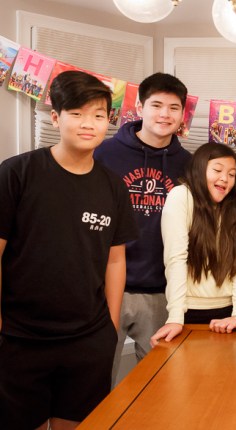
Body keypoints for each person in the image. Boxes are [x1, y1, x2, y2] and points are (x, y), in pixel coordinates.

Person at [0, 71, 138, 429]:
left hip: (87, 340)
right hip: (19, 339)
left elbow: (115, 259)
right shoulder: (17, 173)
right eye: (76, 113)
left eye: (98, 115)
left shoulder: (113, 187)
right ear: (56, 118)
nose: (88, 123)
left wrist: (109, 327)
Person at [94, 72, 192, 386]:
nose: (165, 114)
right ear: (139, 107)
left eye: (173, 108)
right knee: (96, 381)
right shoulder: (104, 153)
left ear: (182, 114)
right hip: (107, 288)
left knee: (160, 385)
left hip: (161, 290)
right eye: (156, 105)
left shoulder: (189, 164)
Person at [151, 143, 236, 345]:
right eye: (217, 170)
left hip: (229, 313)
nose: (225, 178)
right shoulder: (181, 196)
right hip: (189, 312)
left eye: (232, 174)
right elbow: (176, 258)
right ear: (199, 168)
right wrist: (175, 317)